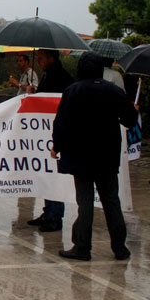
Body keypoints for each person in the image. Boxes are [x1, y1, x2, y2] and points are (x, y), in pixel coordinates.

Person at [52, 52, 138, 261]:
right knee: (111, 200)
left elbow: (61, 122)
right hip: (107, 155)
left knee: (85, 201)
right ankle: (120, 247)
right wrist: (133, 111)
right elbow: (129, 121)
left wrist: (57, 146)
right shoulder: (114, 91)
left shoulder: (73, 91)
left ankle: (82, 247)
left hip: (80, 154)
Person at [26, 49, 73, 232]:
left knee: (54, 175)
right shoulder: (50, 75)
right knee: (47, 173)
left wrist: (35, 96)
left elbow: (51, 101)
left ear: (51, 58)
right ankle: (48, 211)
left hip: (54, 132)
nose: (39, 61)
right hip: (47, 133)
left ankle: (54, 215)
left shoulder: (59, 76)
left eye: (41, 58)